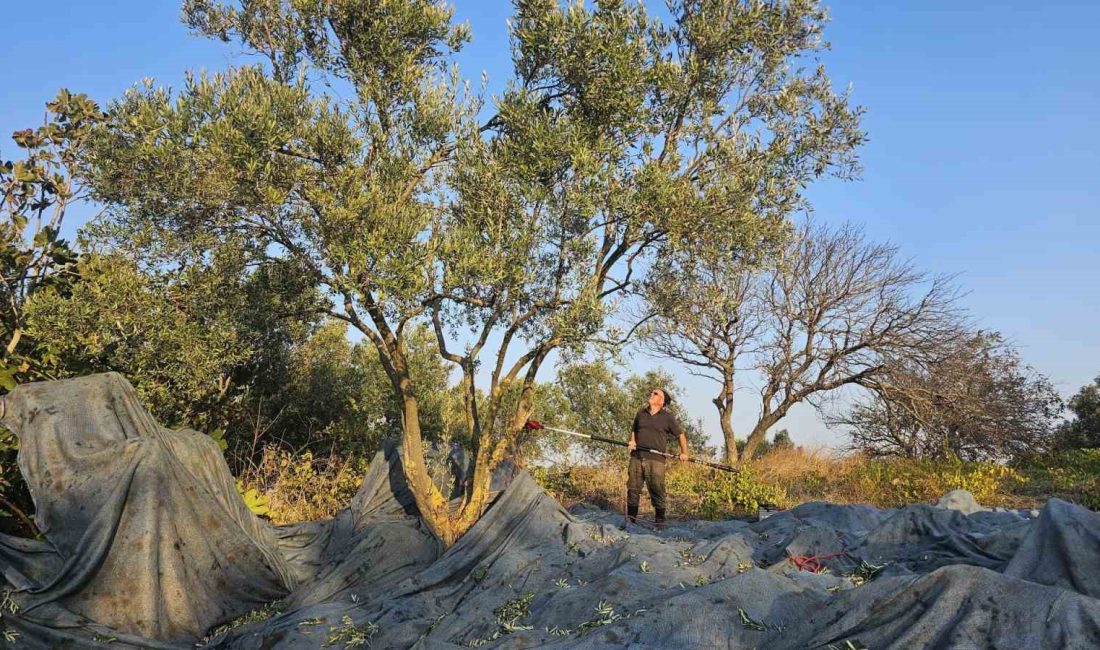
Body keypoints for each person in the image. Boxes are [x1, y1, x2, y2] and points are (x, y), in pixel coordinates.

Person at [626, 388, 688, 528]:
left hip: (656, 459)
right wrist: (632, 441)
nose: (651, 394)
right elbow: (634, 430)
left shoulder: (667, 417)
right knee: (633, 489)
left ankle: (659, 520)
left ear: (662, 401)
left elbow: (681, 435)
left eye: (655, 394)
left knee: (657, 489)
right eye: (652, 392)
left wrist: (684, 452)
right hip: (636, 457)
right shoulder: (641, 413)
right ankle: (630, 520)